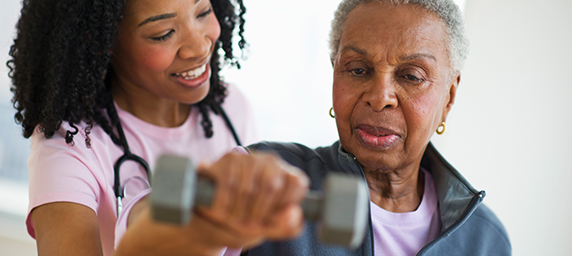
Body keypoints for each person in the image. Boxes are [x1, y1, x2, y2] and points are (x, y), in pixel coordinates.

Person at [8, 0, 310, 255]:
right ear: (101, 40)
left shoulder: (232, 108)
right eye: (164, 33)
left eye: (203, 11)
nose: (197, 46)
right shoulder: (68, 146)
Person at [237, 0, 511, 255]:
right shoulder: (257, 179)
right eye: (358, 70)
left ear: (448, 98)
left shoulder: (485, 240)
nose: (380, 98)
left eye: (411, 76)